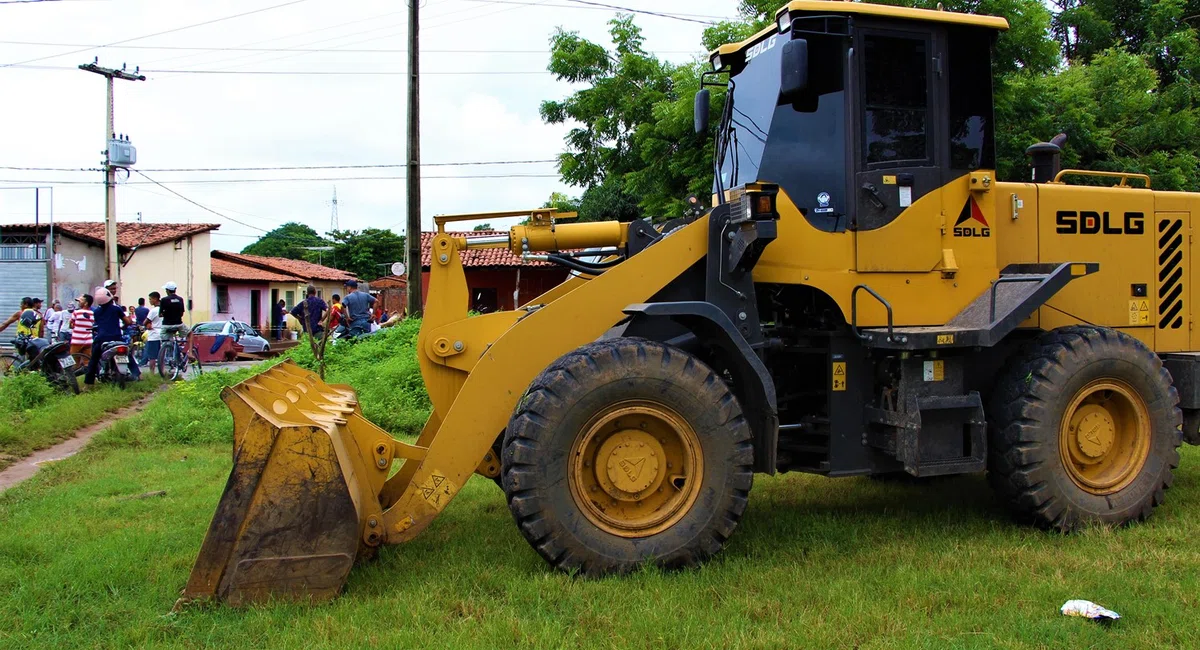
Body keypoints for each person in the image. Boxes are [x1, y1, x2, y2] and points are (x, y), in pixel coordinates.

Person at [84, 287, 138, 385]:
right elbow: (127, 322)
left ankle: (89, 383)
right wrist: (125, 325)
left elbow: (98, 324)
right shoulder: (116, 309)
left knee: (94, 359)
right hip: (117, 337)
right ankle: (138, 374)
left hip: (101, 339)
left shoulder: (96, 312)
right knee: (128, 354)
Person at [141, 291, 163, 371]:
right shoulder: (164, 309)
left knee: (152, 357)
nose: (149, 301)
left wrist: (147, 324)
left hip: (154, 334)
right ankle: (162, 372)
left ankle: (152, 373)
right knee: (162, 356)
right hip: (163, 333)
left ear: (155, 299)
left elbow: (145, 322)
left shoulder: (153, 310)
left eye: (150, 299)